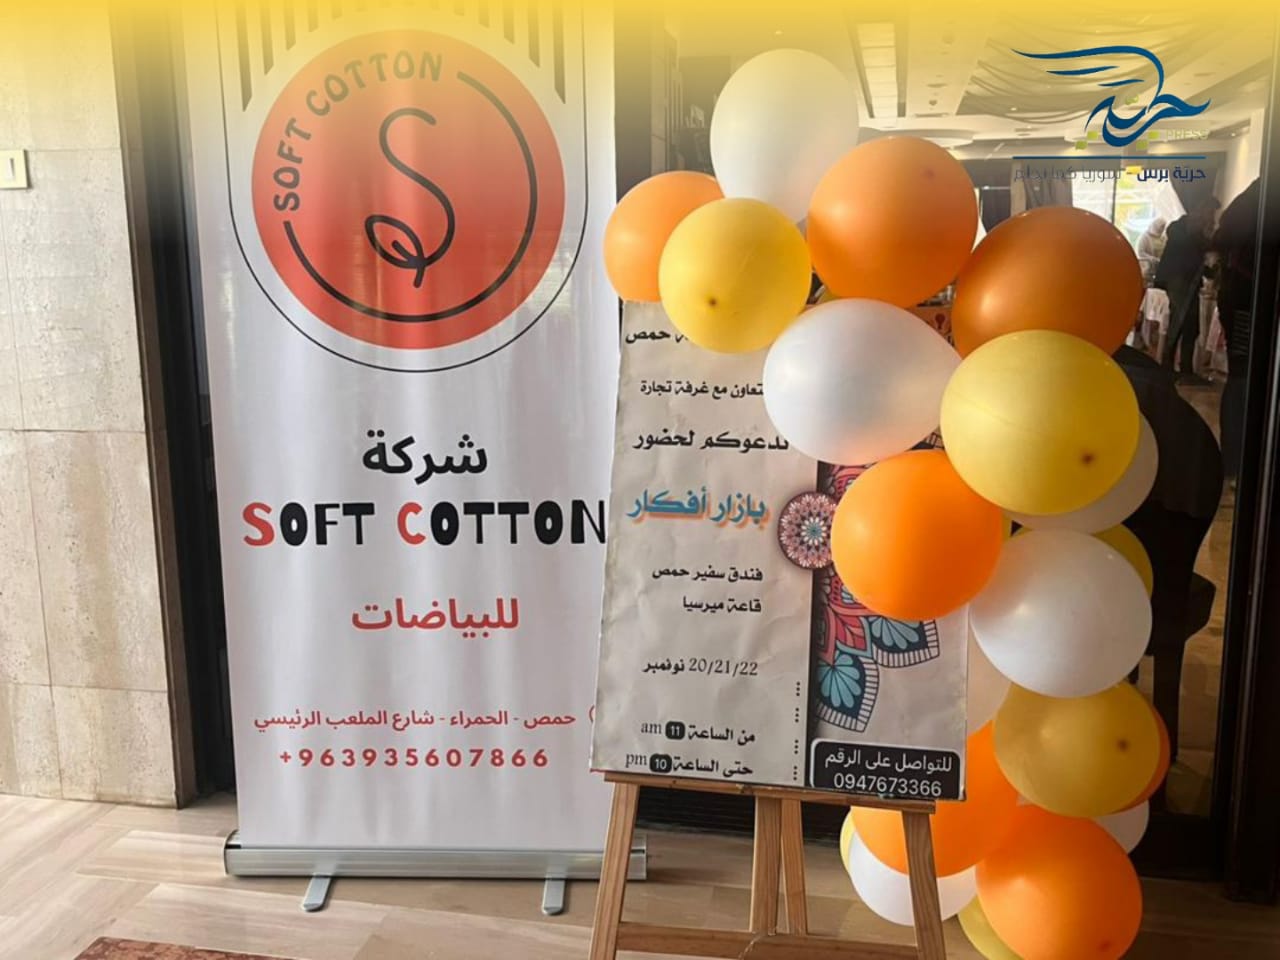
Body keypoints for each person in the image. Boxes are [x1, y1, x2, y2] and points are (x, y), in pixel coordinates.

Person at [1211, 178, 1261, 484]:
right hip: (1247, 301)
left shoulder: (1247, 203)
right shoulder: (1262, 201)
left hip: (1238, 296)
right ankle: (1234, 463)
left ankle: (1233, 462)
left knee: (1241, 376)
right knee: (1242, 378)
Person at [1155, 198, 1220, 383]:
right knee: (1180, 323)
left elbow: (1199, 259)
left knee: (1190, 326)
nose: (1212, 217)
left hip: (1188, 282)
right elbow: (1190, 254)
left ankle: (1184, 368)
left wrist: (1212, 269)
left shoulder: (1194, 234)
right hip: (1179, 282)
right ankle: (1169, 368)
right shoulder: (1180, 229)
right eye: (1210, 212)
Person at [1137, 218, 1167, 283]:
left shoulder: (1164, 237)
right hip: (1147, 268)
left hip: (1160, 267)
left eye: (1163, 228)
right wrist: (1152, 259)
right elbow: (1141, 252)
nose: (1161, 230)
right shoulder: (1145, 237)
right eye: (1160, 227)